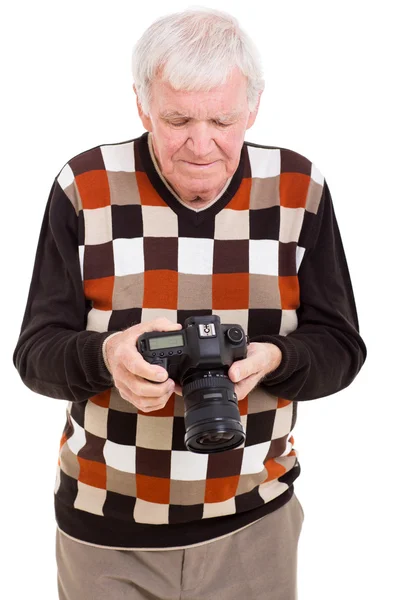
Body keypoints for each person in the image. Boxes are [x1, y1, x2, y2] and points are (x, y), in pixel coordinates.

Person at [13, 7, 367, 600]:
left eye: (222, 120)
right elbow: (34, 353)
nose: (201, 144)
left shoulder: (299, 190)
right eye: (177, 119)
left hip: (255, 525)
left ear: (253, 108)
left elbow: (342, 348)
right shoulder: (86, 186)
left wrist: (273, 360)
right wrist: (109, 356)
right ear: (142, 105)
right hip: (106, 532)